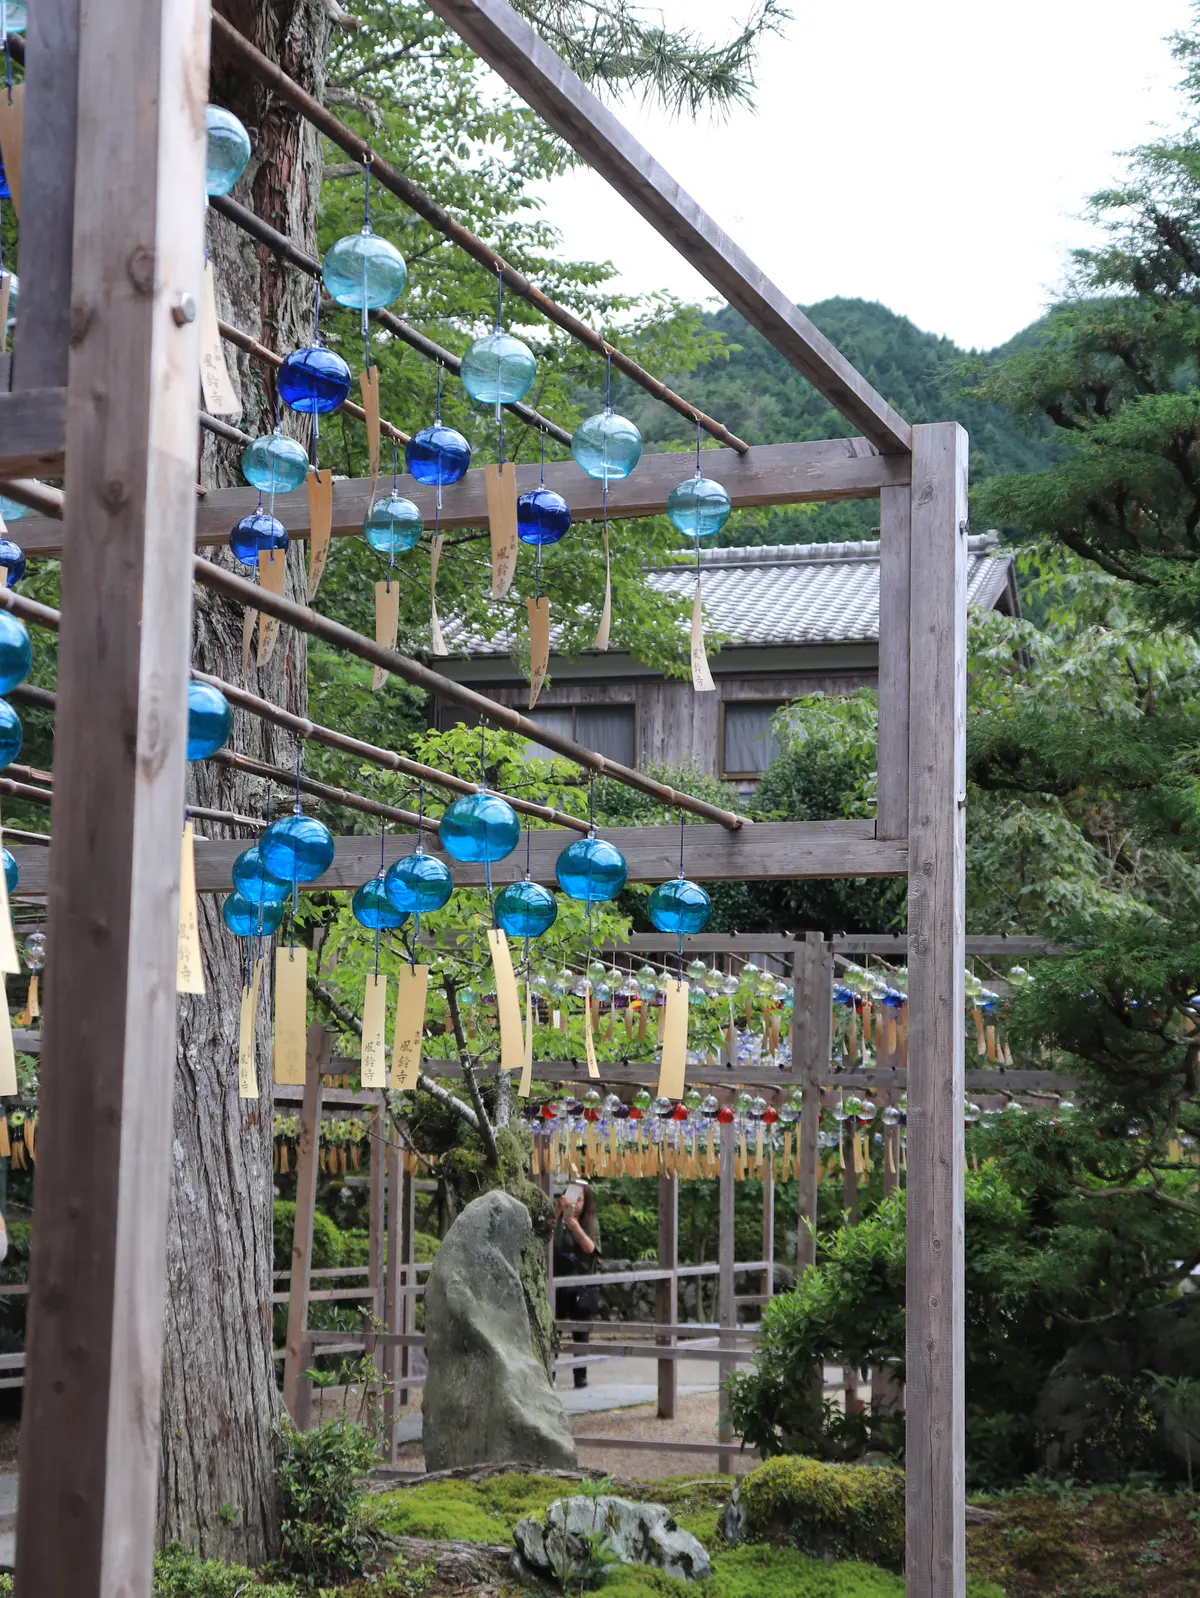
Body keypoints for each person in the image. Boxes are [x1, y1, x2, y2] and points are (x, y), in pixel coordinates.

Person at [554, 1179, 600, 1388]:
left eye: (579, 1199)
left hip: (581, 1284)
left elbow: (591, 1248)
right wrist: (558, 1213)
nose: (575, 1203)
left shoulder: (590, 1221)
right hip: (558, 1282)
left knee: (580, 1333)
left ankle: (580, 1377)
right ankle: (549, 1374)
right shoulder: (560, 1219)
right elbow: (546, 1239)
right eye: (572, 1198)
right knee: (552, 1330)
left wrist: (575, 1227)